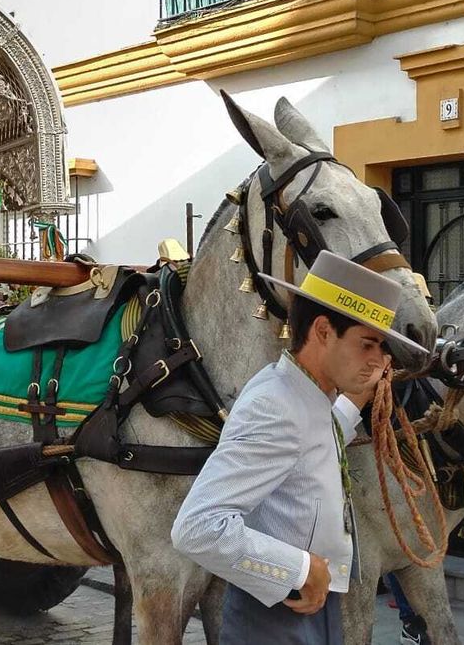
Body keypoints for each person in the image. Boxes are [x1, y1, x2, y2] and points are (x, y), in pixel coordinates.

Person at [172, 250, 420, 643]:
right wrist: (299, 570)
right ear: (323, 331)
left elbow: (312, 442)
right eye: (368, 344)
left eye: (382, 349)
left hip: (308, 607)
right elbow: (198, 528)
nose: (378, 360)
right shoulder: (276, 404)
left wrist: (357, 397)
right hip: (276, 617)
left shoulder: (305, 393)